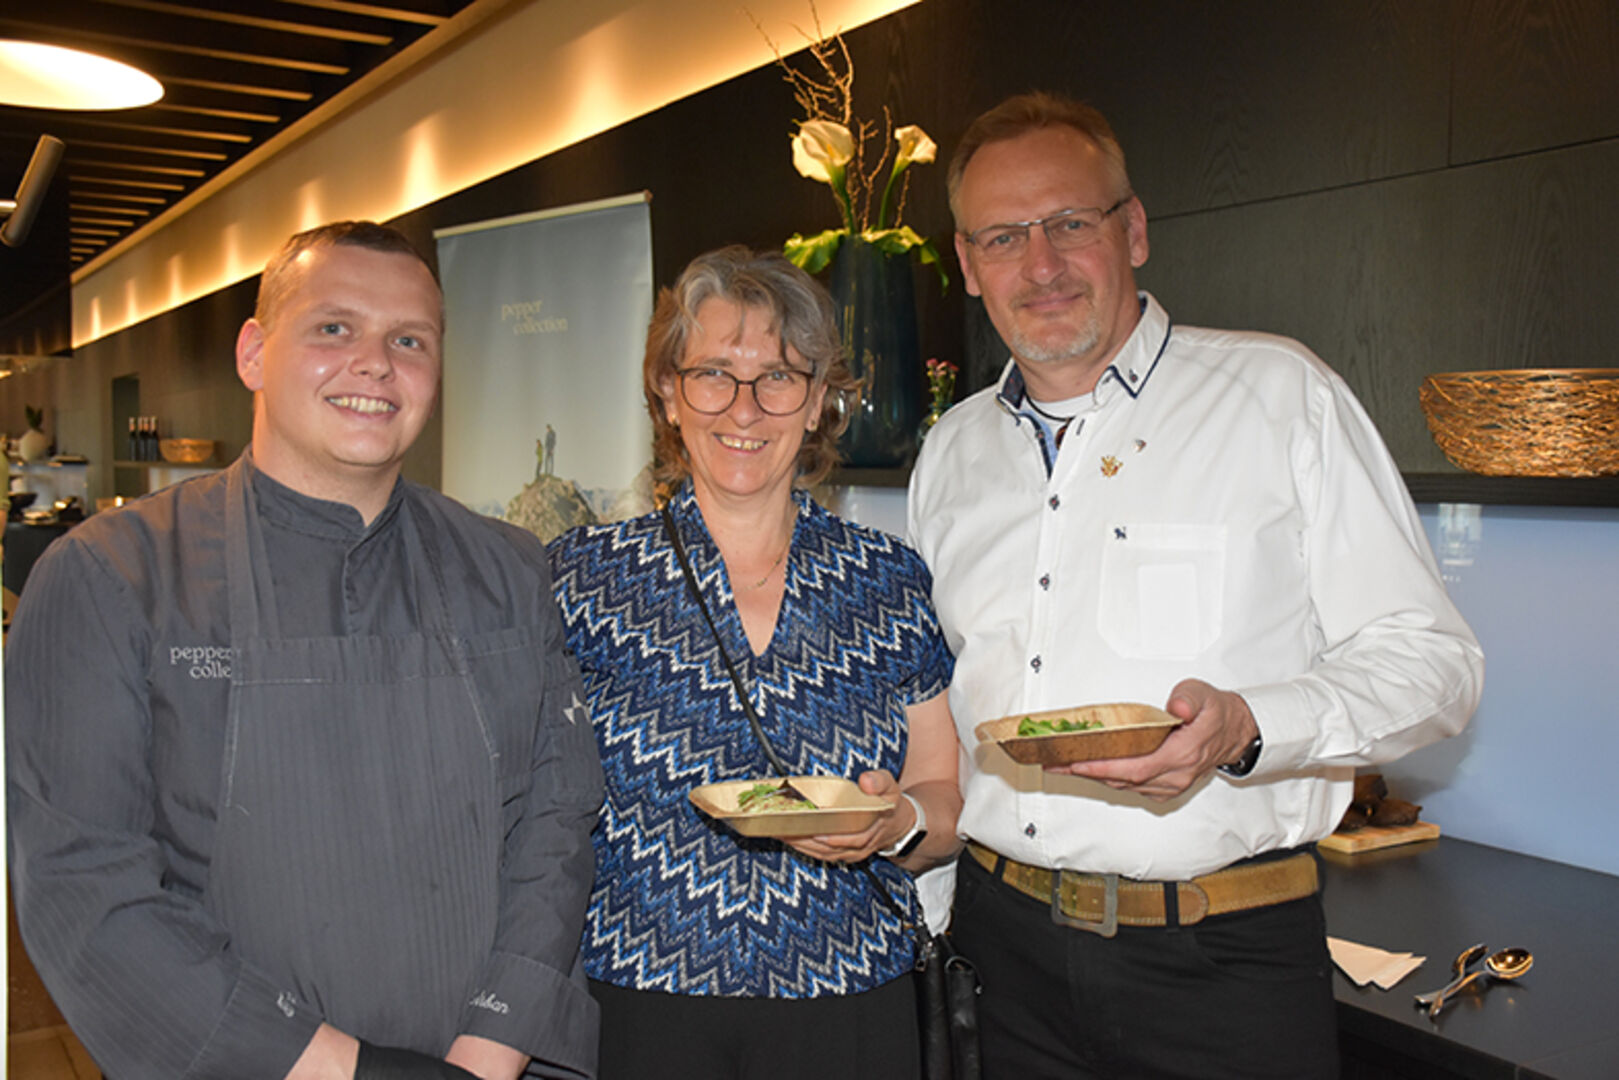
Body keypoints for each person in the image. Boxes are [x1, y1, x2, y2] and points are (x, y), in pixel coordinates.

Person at [907, 92, 1485, 1078]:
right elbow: (947, 711)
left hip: (1219, 963)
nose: (1038, 264)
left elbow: (1435, 667)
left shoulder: (1278, 397)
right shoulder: (950, 451)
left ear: (1130, 231)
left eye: (1069, 223)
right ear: (966, 265)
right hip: (1001, 956)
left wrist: (1247, 727)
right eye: (1002, 236)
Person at [6, 221, 604, 1080]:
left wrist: (492, 1047)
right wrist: (340, 1068)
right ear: (254, 353)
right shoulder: (110, 577)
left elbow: (558, 819)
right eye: (333, 328)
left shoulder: (508, 566)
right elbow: (87, 887)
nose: (374, 362)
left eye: (409, 340)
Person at [547, 246, 961, 1079]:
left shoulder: (883, 577)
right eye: (711, 374)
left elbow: (943, 794)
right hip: (639, 998)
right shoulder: (582, 578)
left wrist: (896, 823)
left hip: (848, 995)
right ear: (668, 392)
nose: (745, 407)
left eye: (779, 377)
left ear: (817, 403)